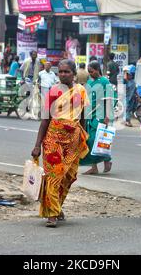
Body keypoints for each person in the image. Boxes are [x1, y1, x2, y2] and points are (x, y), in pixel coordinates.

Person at [31, 60, 90, 228]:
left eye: (66, 72)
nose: (63, 74)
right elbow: (44, 120)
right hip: (53, 140)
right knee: (53, 177)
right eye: (61, 72)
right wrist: (37, 145)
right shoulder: (53, 92)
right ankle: (52, 214)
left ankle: (56, 207)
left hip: (73, 140)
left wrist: (83, 136)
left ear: (74, 74)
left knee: (68, 177)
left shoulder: (81, 91)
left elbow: (83, 115)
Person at [81, 61, 114, 175]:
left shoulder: (105, 81)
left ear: (97, 70)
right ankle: (94, 166)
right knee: (88, 141)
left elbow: (110, 99)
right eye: (89, 72)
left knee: (98, 139)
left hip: (101, 114)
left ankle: (107, 159)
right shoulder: (89, 82)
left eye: (92, 71)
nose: (90, 74)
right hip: (90, 114)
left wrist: (107, 116)